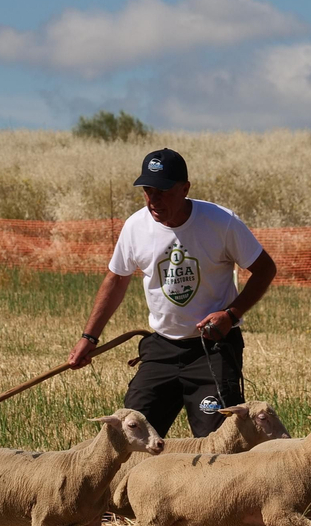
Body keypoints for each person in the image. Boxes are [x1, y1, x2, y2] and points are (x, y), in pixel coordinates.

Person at [66, 147, 277, 437]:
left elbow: (265, 269)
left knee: (220, 445)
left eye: (163, 191)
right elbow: (116, 280)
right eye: (148, 191)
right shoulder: (135, 227)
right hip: (161, 348)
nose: (154, 199)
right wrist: (88, 338)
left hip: (213, 349)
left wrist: (231, 314)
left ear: (185, 189)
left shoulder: (220, 222)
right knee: (129, 435)